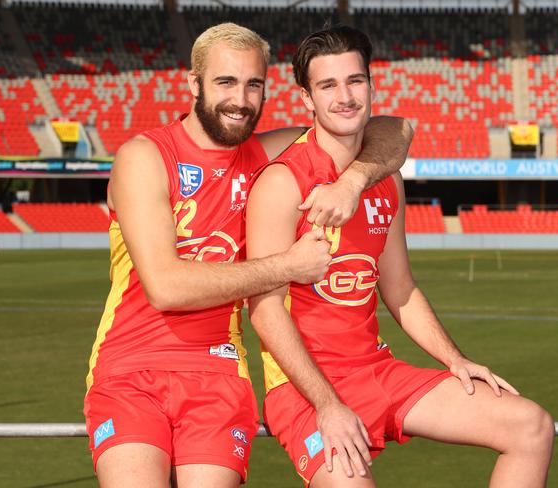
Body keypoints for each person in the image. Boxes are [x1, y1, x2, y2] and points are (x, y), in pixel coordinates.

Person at [83, 23, 412, 488]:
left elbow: (394, 129)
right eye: (225, 82)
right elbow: (166, 287)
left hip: (219, 372)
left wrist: (353, 180)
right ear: (194, 84)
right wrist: (287, 267)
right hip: (132, 366)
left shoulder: (264, 154)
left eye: (253, 84)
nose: (240, 99)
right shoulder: (146, 155)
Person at [246, 25, 554, 488]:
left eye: (355, 81)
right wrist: (328, 406)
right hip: (303, 390)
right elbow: (265, 312)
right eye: (328, 85)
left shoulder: (386, 179)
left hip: (376, 370)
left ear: (371, 86)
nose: (345, 96)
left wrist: (455, 359)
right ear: (307, 99)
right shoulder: (282, 182)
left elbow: (400, 288)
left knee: (531, 426)